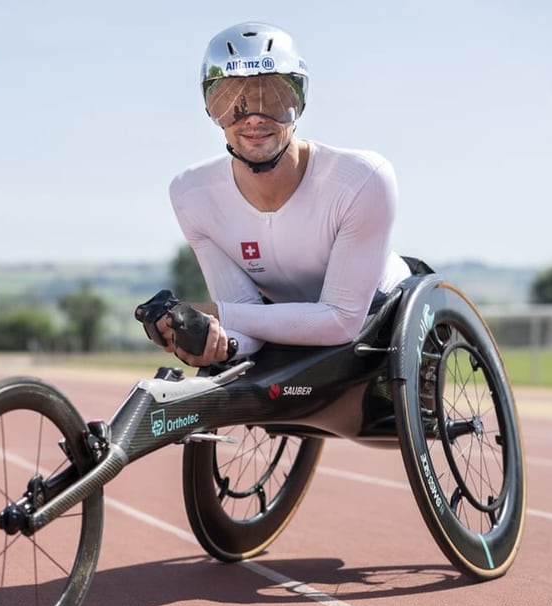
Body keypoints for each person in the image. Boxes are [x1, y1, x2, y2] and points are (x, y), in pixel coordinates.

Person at [145, 21, 410, 366]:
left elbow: (341, 321)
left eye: (272, 98)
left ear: (298, 102)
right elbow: (245, 314)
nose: (253, 118)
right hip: (280, 323)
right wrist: (215, 337)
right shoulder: (190, 194)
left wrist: (214, 312)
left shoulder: (363, 177)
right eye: (233, 103)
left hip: (380, 314)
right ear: (212, 111)